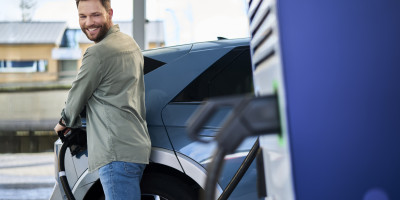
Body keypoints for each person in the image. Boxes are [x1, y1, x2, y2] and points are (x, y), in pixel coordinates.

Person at [54, 0, 151, 199]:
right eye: (83, 16)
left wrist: (63, 122)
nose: (89, 22)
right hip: (136, 147)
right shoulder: (129, 43)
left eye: (95, 15)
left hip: (115, 153)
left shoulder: (97, 53)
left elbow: (76, 96)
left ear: (110, 13)